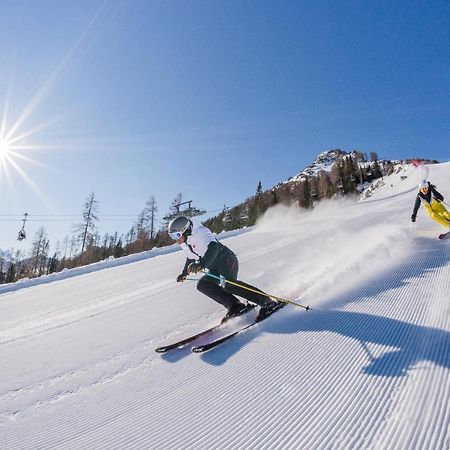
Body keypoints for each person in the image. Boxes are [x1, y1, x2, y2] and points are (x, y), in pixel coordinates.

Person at [168, 216, 281, 321]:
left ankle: (267, 302)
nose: (175, 239)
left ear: (185, 230)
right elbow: (190, 258)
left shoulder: (201, 232)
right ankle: (235, 306)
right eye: (172, 236)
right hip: (214, 267)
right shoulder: (185, 242)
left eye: (176, 235)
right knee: (202, 285)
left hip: (226, 260)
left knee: (228, 285)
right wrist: (184, 273)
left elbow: (214, 247)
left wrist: (201, 264)